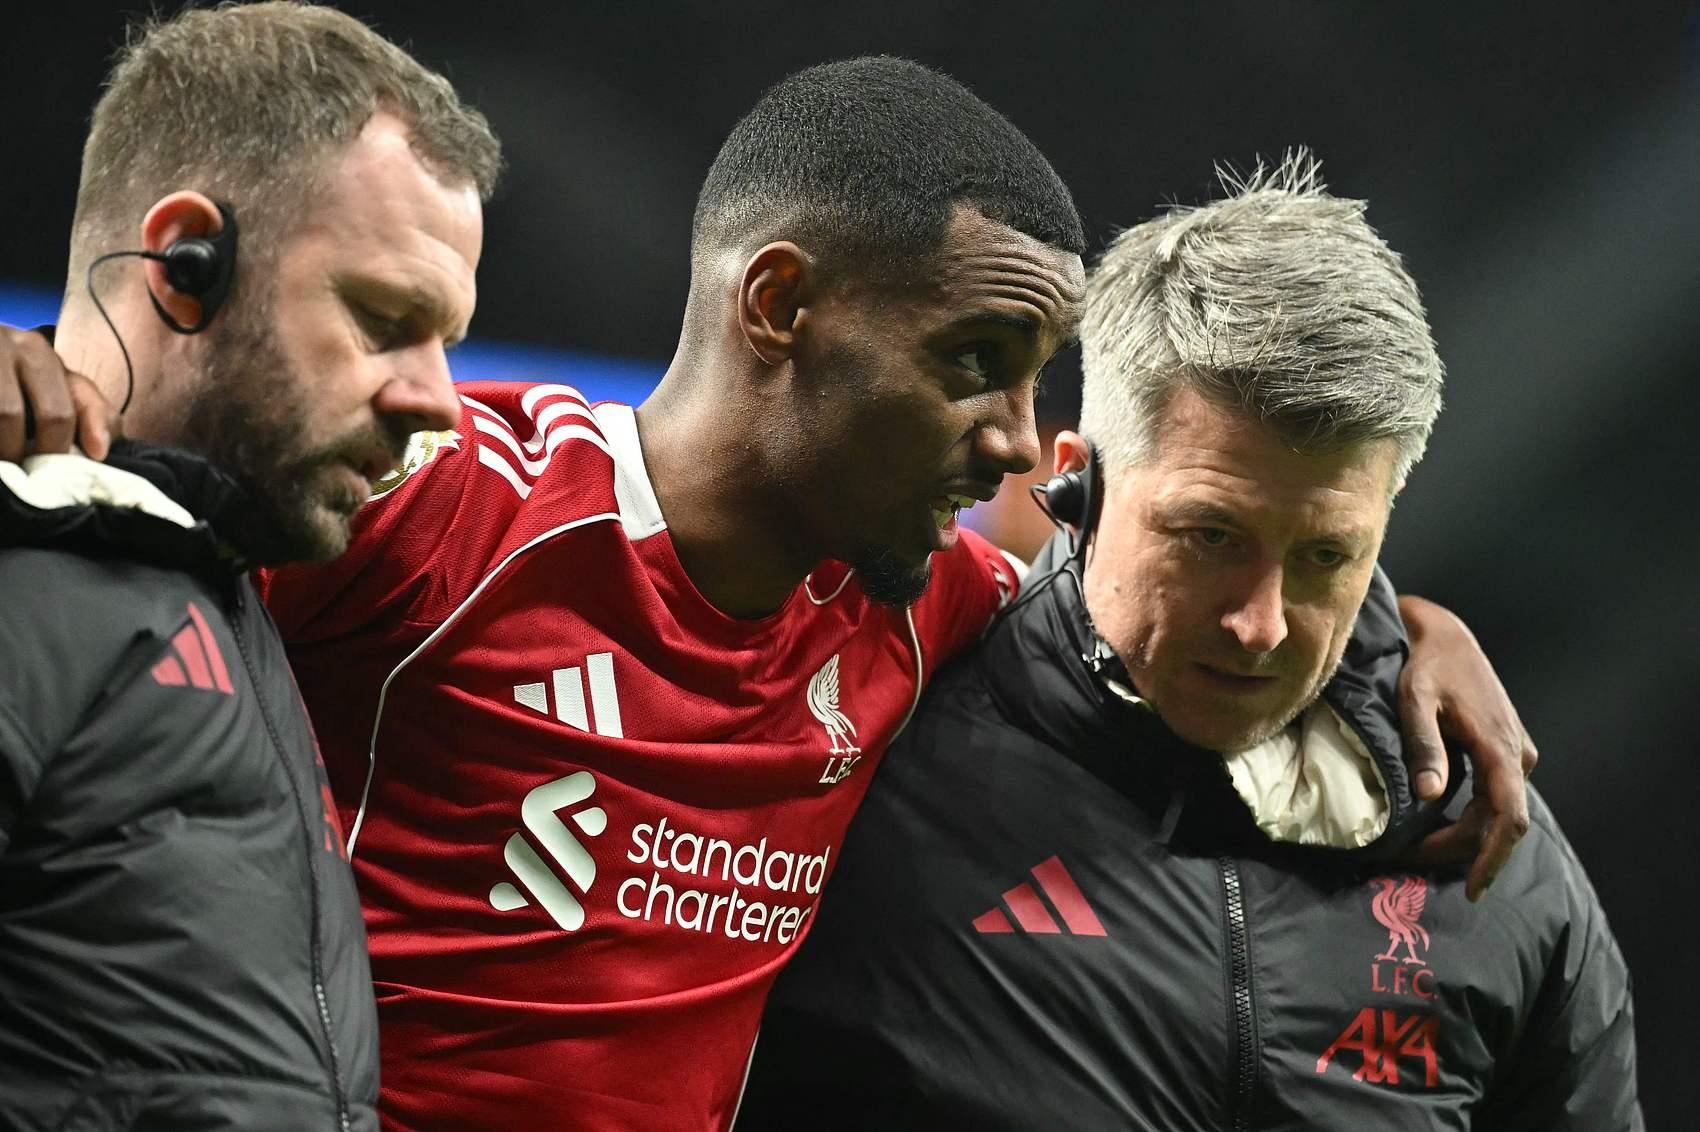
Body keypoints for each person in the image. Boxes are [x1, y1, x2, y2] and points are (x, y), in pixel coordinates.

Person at [6, 56, 1535, 1132]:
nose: (1017, 439)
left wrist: (1399, 630)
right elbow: (163, 463)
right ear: (781, 303)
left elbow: (1189, 575)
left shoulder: (929, 609)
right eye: (974, 364)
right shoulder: (448, 503)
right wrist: (31, 389)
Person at [737, 158, 1640, 1130]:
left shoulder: (1488, 843)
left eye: (1326, 556)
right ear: (1077, 485)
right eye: (1210, 536)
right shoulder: (866, 763)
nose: (1262, 624)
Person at [0, 4, 500, 1128]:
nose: (439, 402)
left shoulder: (225, 582)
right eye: (384, 318)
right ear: (188, 266)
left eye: (446, 343)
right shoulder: (30, 558)